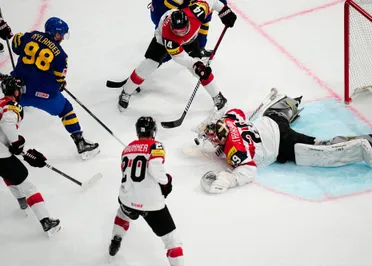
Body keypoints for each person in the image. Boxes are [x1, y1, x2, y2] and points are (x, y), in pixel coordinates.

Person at [196, 90, 372, 193]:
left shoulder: (235, 150)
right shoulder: (230, 120)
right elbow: (237, 112)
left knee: (319, 147)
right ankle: (292, 102)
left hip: (281, 143)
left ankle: (368, 144)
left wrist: (231, 179)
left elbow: (249, 170)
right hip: (271, 121)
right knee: (276, 110)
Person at [117, 0, 237, 112]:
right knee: (148, 65)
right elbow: (180, 57)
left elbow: (213, 1)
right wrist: (195, 64)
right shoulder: (170, 38)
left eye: (183, 30)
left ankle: (218, 97)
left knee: (202, 72)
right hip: (161, 41)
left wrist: (224, 12)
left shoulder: (196, 11)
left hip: (190, 41)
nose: (180, 33)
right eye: (177, 31)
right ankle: (126, 91)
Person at [9, 17, 99, 159]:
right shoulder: (61, 56)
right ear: (56, 34)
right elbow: (58, 81)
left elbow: (15, 44)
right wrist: (61, 84)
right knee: (65, 109)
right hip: (43, 94)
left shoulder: (31, 36)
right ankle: (80, 142)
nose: (62, 38)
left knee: (7, 112)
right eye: (61, 34)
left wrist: (18, 37)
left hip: (17, 90)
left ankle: (5, 141)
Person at [108, 116, 183, 265]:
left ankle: (116, 238)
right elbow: (156, 169)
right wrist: (167, 182)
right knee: (171, 240)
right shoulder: (156, 146)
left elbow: (125, 173)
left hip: (127, 199)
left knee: (122, 213)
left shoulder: (127, 148)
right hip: (151, 204)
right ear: (153, 131)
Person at [0, 74, 61, 236]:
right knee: (29, 186)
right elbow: (7, 122)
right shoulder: (12, 105)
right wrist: (16, 143)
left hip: (2, 154)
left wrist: (18, 147)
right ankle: (46, 221)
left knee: (7, 171)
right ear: (16, 91)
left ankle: (21, 201)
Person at [149, 0, 228, 58]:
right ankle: (156, 59)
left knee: (202, 20)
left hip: (182, 6)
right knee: (168, 43)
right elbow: (163, 13)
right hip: (160, 9)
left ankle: (200, 48)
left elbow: (204, 20)